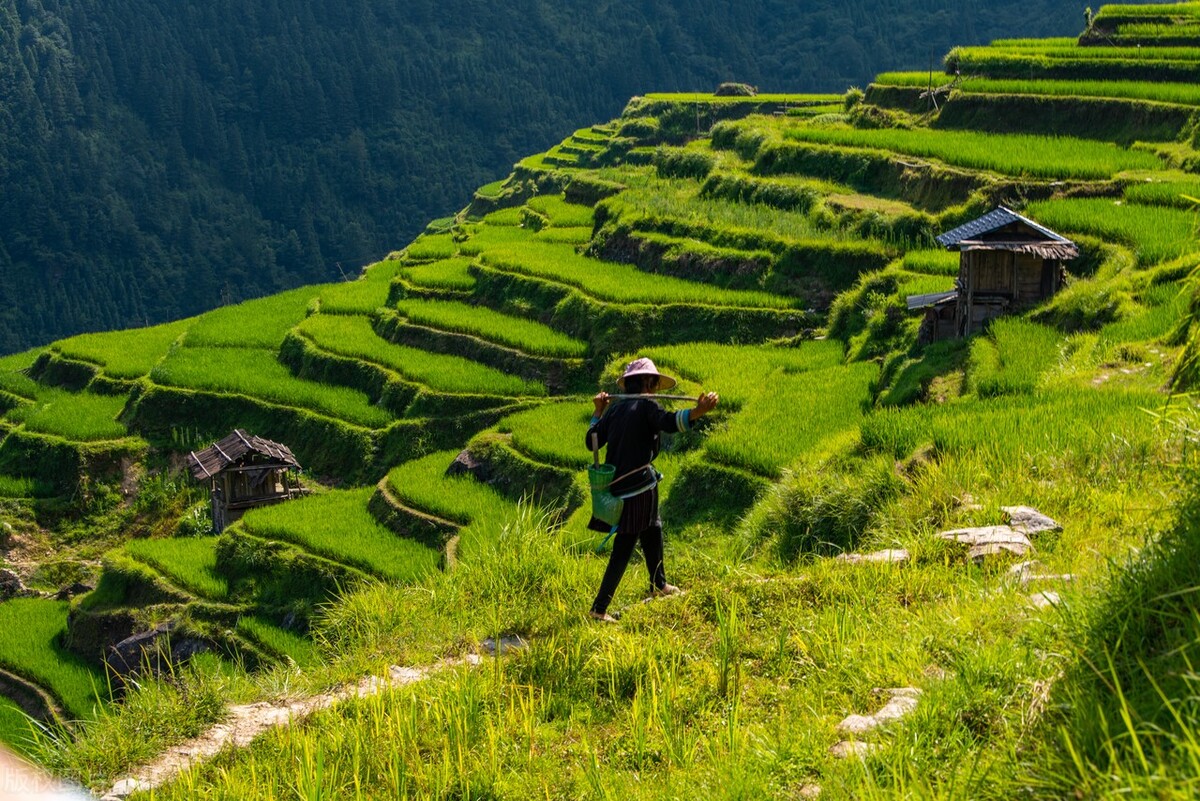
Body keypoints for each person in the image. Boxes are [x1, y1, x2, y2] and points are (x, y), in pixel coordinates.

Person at [585, 357, 719, 623]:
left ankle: (659, 584)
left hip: (624, 485)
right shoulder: (647, 406)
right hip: (637, 488)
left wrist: (598, 412)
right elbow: (669, 422)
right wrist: (698, 412)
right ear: (647, 382)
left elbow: (592, 441)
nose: (656, 388)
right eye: (654, 383)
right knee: (625, 544)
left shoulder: (615, 410)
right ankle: (599, 609)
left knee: (653, 527)